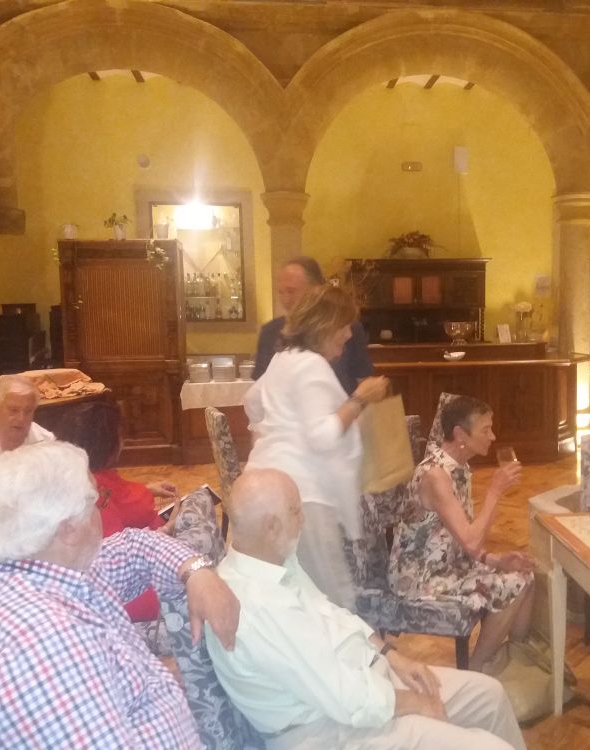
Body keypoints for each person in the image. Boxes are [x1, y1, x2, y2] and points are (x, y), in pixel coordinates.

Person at [0, 441, 240, 749]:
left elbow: (133, 547)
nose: (101, 510)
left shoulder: (35, 573)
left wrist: (195, 571)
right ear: (69, 527)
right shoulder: (44, 647)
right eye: (97, 500)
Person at [205, 469, 526, 750]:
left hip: (365, 683)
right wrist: (419, 704)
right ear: (271, 527)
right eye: (296, 511)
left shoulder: (273, 560)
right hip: (327, 731)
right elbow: (345, 697)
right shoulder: (255, 608)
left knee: (489, 695)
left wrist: (391, 654)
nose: (303, 519)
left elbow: (331, 613)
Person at [244, 283, 388, 610]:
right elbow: (322, 436)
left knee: (281, 595)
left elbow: (251, 401)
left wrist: (267, 440)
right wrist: (359, 399)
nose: (349, 334)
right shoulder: (311, 365)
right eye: (344, 325)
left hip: (264, 489)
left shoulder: (283, 359)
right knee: (331, 600)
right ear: (325, 325)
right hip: (303, 496)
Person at [389, 396, 535, 673]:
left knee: (524, 574)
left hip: (449, 566)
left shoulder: (458, 469)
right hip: (420, 579)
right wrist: (495, 491)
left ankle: (515, 662)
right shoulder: (435, 475)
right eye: (486, 429)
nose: (493, 436)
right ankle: (476, 669)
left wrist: (496, 560)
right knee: (515, 584)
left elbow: (460, 540)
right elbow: (470, 540)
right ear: (460, 434)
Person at [59, 400, 179, 622]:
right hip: (118, 600)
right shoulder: (96, 494)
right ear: (111, 444)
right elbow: (131, 521)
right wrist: (162, 535)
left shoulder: (63, 478)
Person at [252, 256, 373, 394]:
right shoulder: (270, 332)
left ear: (316, 291)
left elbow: (363, 379)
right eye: (281, 292)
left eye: (291, 291)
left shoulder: (346, 328)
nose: (285, 300)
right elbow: (258, 392)